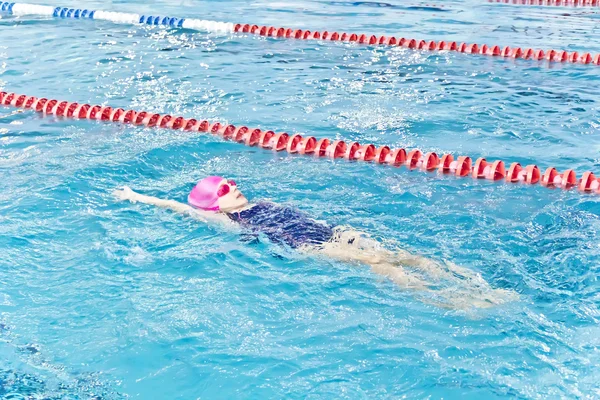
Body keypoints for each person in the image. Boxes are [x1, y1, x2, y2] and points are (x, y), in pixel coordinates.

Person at [114, 176, 516, 309]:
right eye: (223, 188)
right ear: (214, 204)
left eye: (231, 181)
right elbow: (176, 207)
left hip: (333, 232)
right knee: (382, 267)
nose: (232, 186)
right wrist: (135, 198)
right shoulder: (226, 219)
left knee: (406, 255)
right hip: (312, 247)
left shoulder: (257, 201)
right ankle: (454, 303)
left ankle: (480, 289)